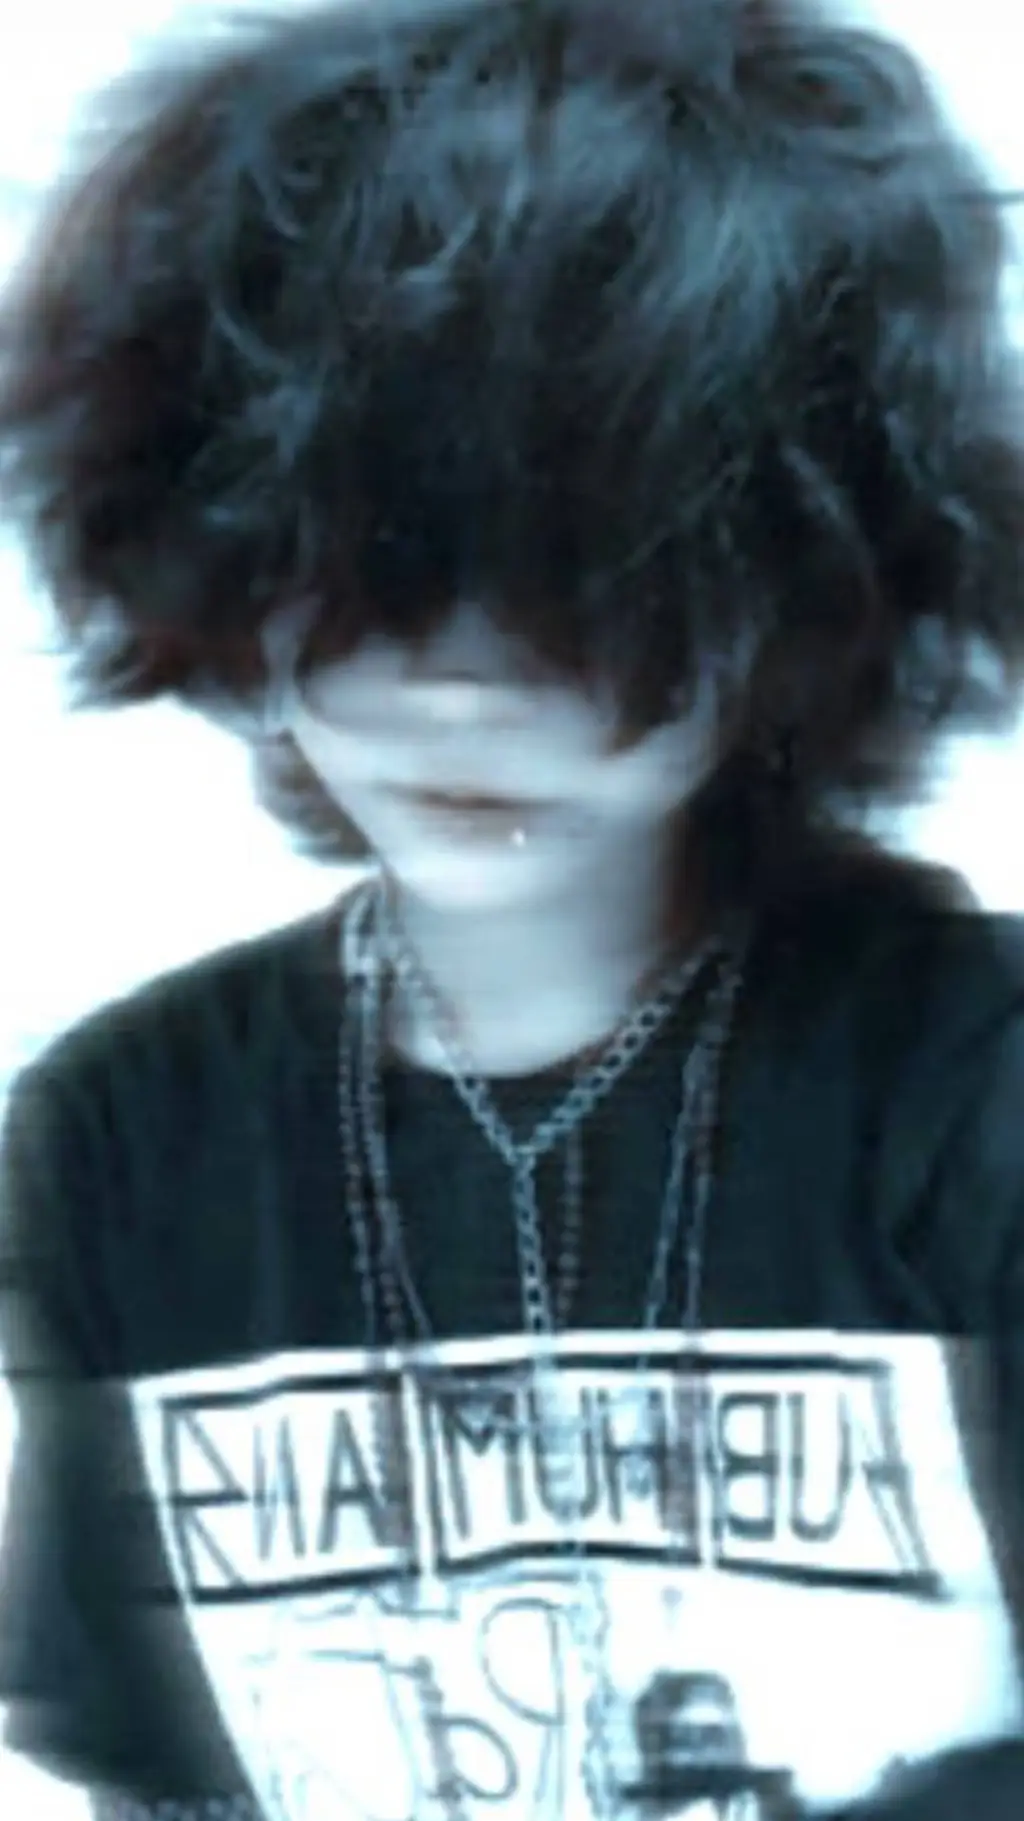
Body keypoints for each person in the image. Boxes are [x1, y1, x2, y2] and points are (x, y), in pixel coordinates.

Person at [3, 0, 1024, 1816]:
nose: (468, 684)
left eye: (585, 581)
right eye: (375, 570)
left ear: (800, 582)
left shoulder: (976, 1091)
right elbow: (154, 1777)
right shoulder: (125, 1138)